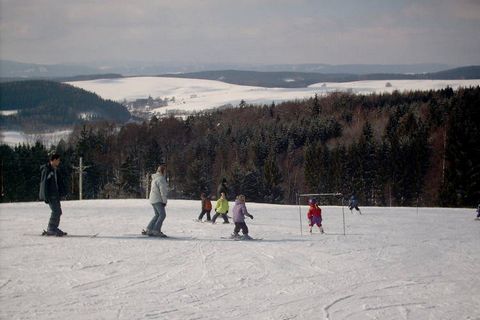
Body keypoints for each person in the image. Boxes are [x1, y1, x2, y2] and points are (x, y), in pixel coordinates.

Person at [39, 153, 67, 236]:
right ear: (54, 160)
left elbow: (58, 183)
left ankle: (54, 227)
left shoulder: (54, 170)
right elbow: (44, 183)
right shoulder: (47, 170)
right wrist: (45, 196)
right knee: (56, 211)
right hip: (51, 195)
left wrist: (63, 192)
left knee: (58, 211)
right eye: (58, 160)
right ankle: (51, 228)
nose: (59, 162)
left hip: (56, 195)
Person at [145, 164, 168, 237]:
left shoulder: (155, 178)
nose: (165, 172)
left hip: (153, 199)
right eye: (165, 171)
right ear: (162, 171)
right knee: (162, 215)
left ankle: (149, 229)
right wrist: (164, 201)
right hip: (158, 199)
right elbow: (163, 191)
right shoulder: (161, 179)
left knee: (157, 215)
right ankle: (156, 230)